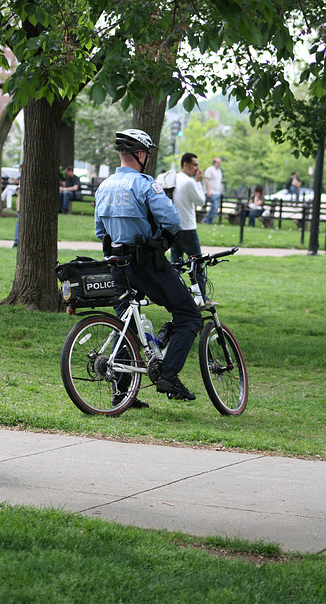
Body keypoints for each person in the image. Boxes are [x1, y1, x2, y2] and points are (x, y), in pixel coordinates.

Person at [95, 129, 202, 404]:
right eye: (147, 154)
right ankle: (168, 374)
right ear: (140, 154)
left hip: (117, 265)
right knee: (189, 315)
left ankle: (122, 392)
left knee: (125, 326)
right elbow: (173, 219)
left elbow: (99, 231)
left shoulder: (103, 186)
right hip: (146, 264)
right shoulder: (145, 184)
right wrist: (164, 239)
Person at [170, 152, 206, 300]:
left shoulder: (174, 178)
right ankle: (202, 297)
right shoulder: (189, 181)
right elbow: (201, 201)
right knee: (197, 263)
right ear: (186, 164)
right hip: (188, 228)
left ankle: (174, 296)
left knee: (175, 265)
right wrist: (198, 182)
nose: (197, 168)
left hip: (174, 228)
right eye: (195, 165)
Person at [202, 157, 223, 224]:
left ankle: (210, 222)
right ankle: (205, 220)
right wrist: (208, 191)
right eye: (218, 162)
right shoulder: (210, 169)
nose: (219, 164)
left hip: (217, 192)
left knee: (216, 208)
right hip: (211, 192)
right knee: (214, 206)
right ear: (214, 162)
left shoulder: (219, 170)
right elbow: (206, 180)